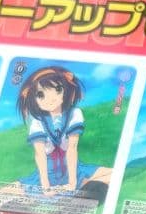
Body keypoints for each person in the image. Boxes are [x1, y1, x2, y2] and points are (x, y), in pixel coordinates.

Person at [14, 66, 111, 196]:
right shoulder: (37, 122)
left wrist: (72, 183)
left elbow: (72, 148)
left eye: (58, 89)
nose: (51, 98)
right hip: (48, 172)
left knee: (115, 174)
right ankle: (70, 191)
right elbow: (40, 154)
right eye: (41, 95)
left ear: (66, 90)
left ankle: (80, 188)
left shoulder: (74, 114)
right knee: (9, 190)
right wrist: (46, 187)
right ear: (33, 98)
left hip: (74, 169)